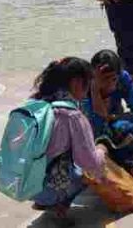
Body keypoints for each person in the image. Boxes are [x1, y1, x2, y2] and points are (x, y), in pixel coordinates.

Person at [30, 57, 107, 221]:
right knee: (89, 171)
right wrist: (102, 149)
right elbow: (90, 163)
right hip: (48, 191)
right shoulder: (71, 116)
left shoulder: (34, 104)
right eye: (87, 85)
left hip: (24, 186)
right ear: (77, 83)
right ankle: (59, 205)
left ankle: (43, 200)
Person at [81, 49, 133, 175]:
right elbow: (96, 122)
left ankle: (117, 159)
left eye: (112, 78)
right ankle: (117, 160)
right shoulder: (84, 85)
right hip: (89, 132)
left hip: (114, 128)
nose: (108, 82)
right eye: (103, 78)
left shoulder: (123, 79)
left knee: (126, 129)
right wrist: (95, 90)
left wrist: (115, 117)